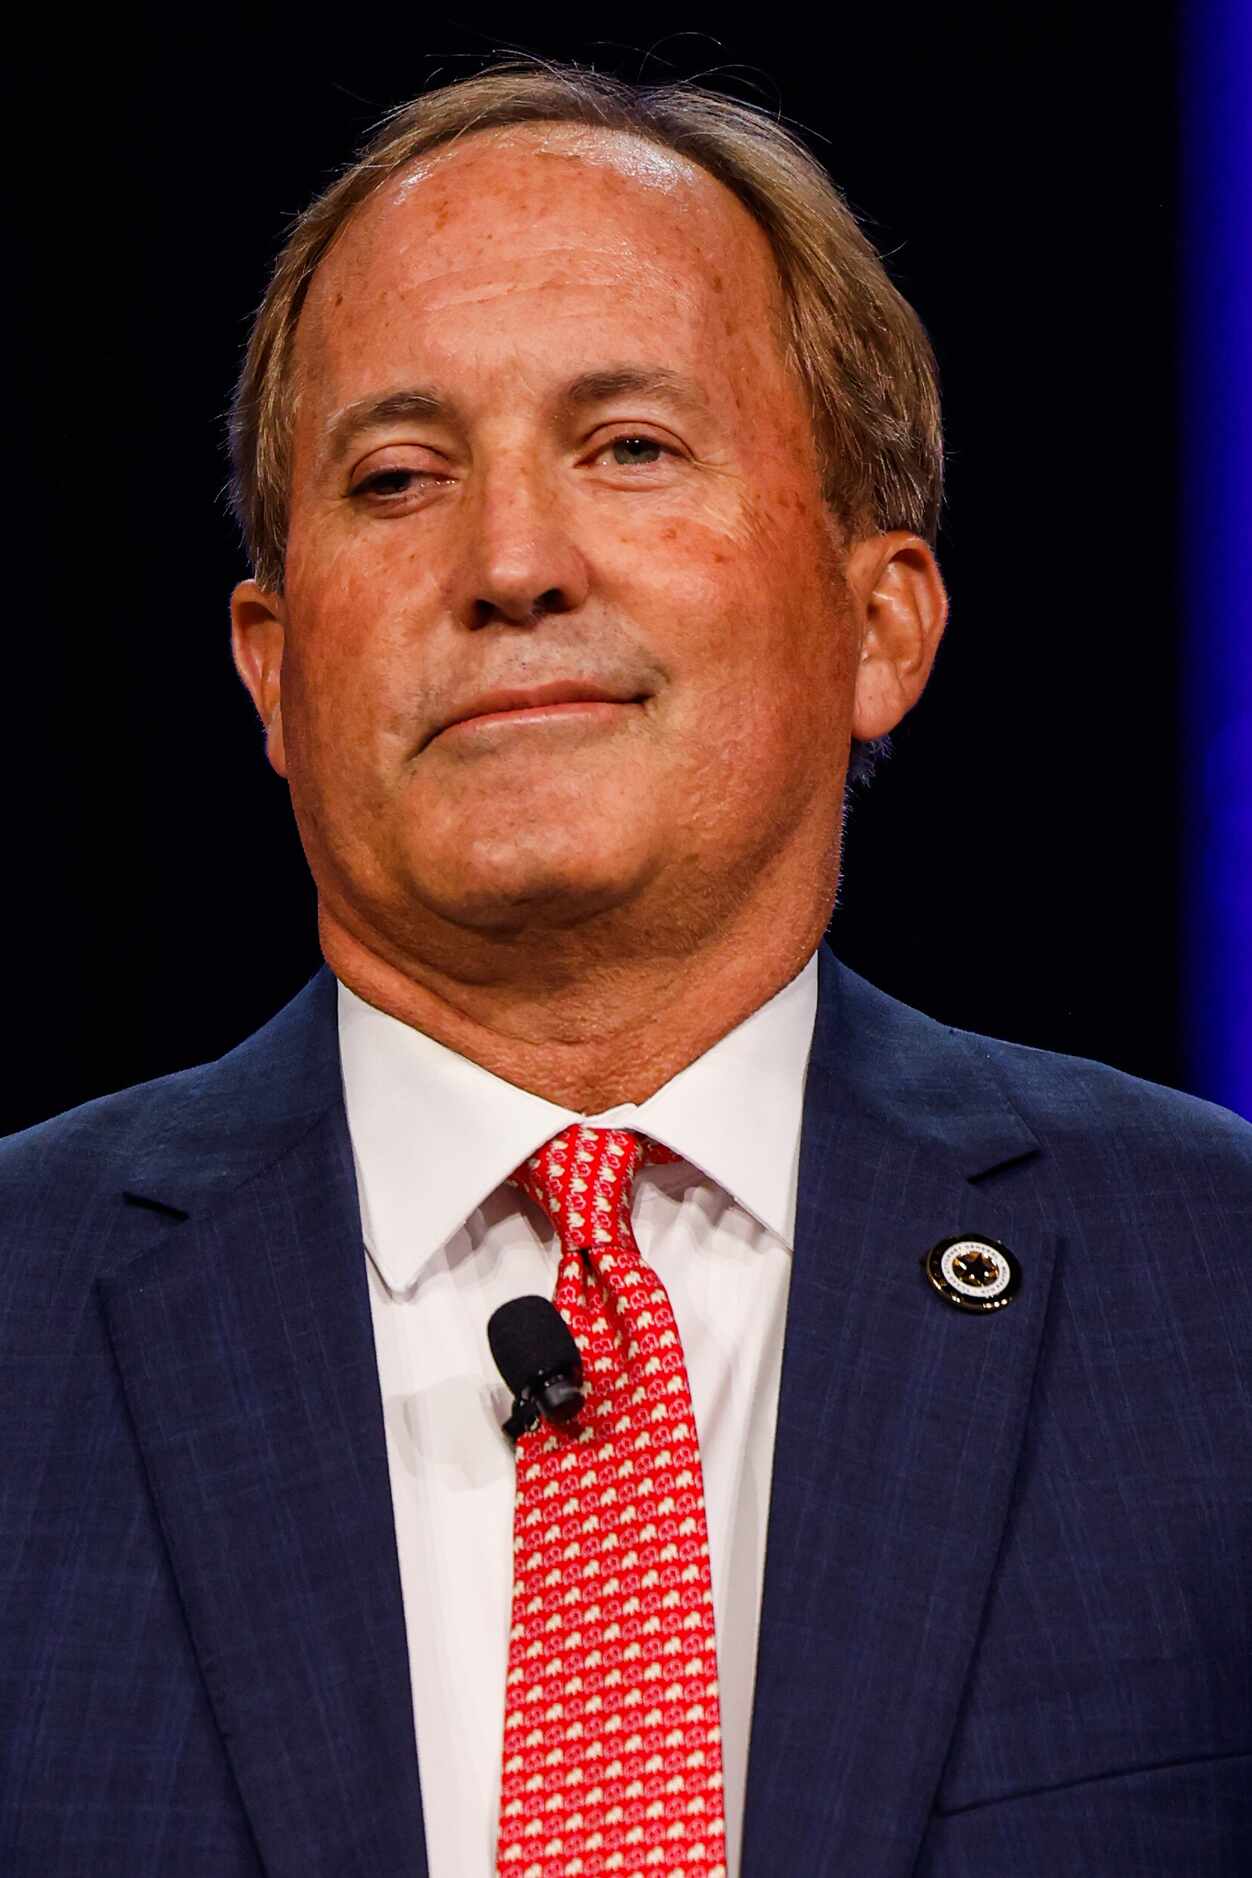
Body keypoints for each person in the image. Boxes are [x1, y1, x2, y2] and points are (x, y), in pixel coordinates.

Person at [3, 60, 1249, 1878]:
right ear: (271, 669)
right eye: (399, 475)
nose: (509, 563)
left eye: (631, 447)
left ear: (878, 619)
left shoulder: (1213, 1298)